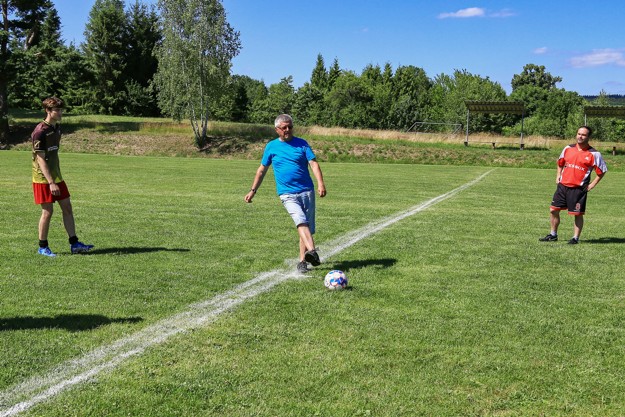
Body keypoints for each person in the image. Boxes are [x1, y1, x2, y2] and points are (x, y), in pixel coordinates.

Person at [245, 114, 327, 273]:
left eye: (290, 127)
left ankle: (302, 262)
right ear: (277, 129)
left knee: (305, 227)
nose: (288, 130)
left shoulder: (302, 144)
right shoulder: (271, 147)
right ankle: (312, 251)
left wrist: (320, 183)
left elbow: (313, 164)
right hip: (287, 193)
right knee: (300, 220)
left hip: (307, 191)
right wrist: (253, 190)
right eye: (284, 128)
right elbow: (262, 170)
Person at [31, 97, 94, 257]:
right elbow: (40, 159)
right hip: (43, 179)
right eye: (57, 110)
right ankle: (43, 247)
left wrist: (55, 179)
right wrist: (51, 182)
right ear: (48, 111)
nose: (60, 113)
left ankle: (75, 244)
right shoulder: (40, 131)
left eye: (61, 110)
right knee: (48, 211)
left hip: (57, 177)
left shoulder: (57, 128)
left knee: (67, 208)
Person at [539, 126, 607, 244]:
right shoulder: (568, 148)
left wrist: (592, 185)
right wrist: (558, 176)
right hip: (562, 186)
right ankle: (553, 235)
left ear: (588, 137)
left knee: (577, 214)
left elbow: (602, 171)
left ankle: (575, 238)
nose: (580, 136)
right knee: (553, 210)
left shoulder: (594, 154)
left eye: (583, 135)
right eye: (579, 134)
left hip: (578, 189)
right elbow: (560, 163)